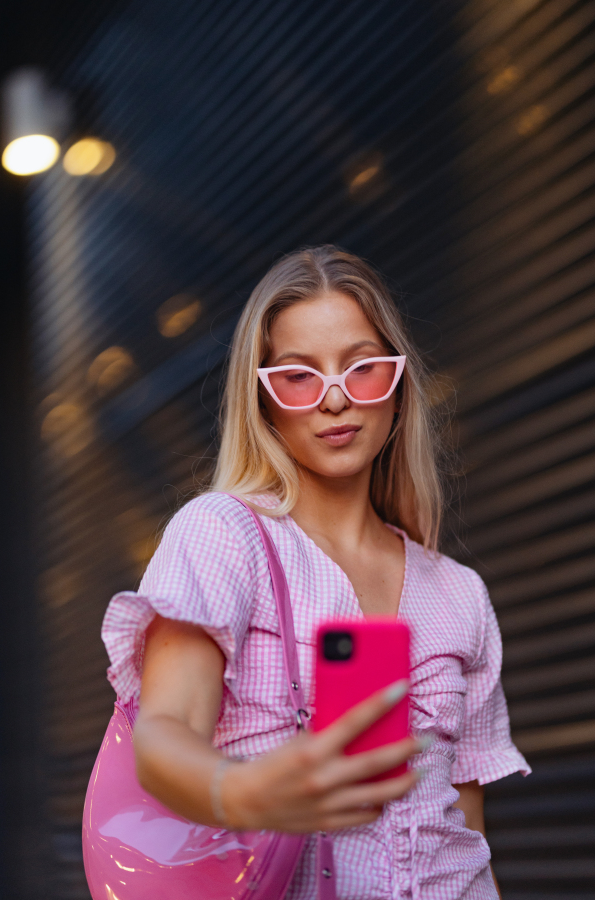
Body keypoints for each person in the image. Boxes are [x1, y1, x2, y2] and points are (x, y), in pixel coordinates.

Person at [102, 246, 529, 899]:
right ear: (264, 400)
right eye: (298, 376)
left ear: (397, 387)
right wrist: (239, 789)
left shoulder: (459, 594)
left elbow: (466, 829)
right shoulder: (222, 535)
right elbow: (164, 734)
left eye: (362, 369)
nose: (335, 399)